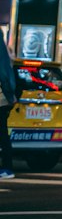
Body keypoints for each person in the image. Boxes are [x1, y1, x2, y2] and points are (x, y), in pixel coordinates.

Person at [0, 34, 18, 180]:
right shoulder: (5, 57)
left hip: (1, 100)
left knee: (3, 134)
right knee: (3, 134)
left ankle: (7, 167)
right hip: (4, 100)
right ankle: (7, 167)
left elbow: (4, 78)